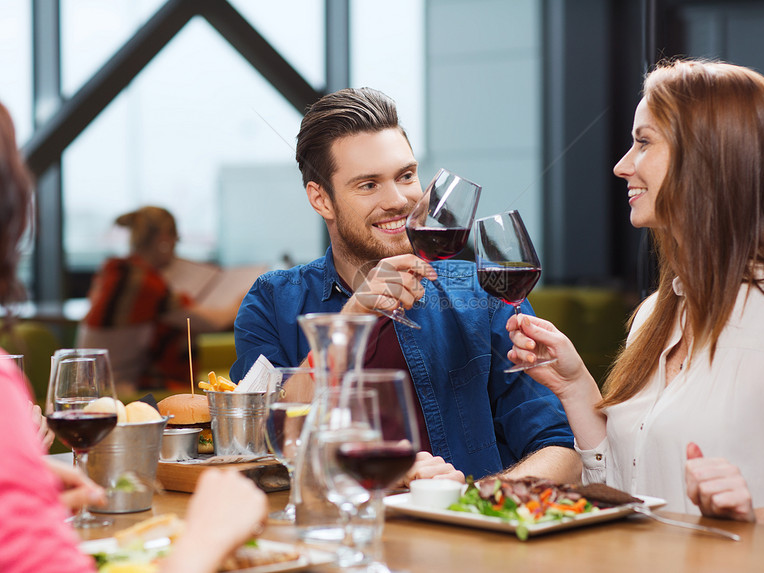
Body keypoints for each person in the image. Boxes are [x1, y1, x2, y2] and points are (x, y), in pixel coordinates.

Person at [506, 59, 764, 536]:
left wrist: (756, 519)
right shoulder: (656, 314)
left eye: (644, 142)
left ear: (709, 158)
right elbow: (629, 489)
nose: (622, 165)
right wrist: (576, 389)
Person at [231, 87, 579, 483]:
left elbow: (562, 451)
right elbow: (262, 440)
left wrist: (468, 502)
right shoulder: (272, 301)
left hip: (469, 533)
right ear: (321, 199)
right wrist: (355, 316)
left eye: (406, 176)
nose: (398, 199)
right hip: (334, 530)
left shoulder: (483, 294)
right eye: (368, 185)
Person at [0, 99, 268, 573]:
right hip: (119, 393)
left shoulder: (114, 273)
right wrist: (206, 538)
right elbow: (207, 321)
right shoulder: (147, 281)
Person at [79, 206, 240, 391]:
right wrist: (241, 302)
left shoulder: (117, 274)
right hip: (114, 391)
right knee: (202, 395)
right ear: (164, 239)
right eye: (176, 240)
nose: (175, 250)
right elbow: (212, 323)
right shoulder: (143, 283)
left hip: (93, 384)